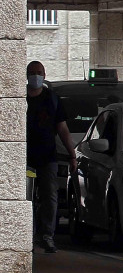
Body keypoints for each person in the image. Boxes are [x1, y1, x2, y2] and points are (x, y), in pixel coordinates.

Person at [26, 61, 76, 254]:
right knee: (26, 199)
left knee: (49, 197)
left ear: (45, 75)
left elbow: (62, 129)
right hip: (26, 158)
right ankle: (27, 236)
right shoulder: (20, 98)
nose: (35, 76)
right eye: (32, 73)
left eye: (38, 73)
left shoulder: (52, 99)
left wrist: (72, 155)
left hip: (48, 157)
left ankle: (47, 237)